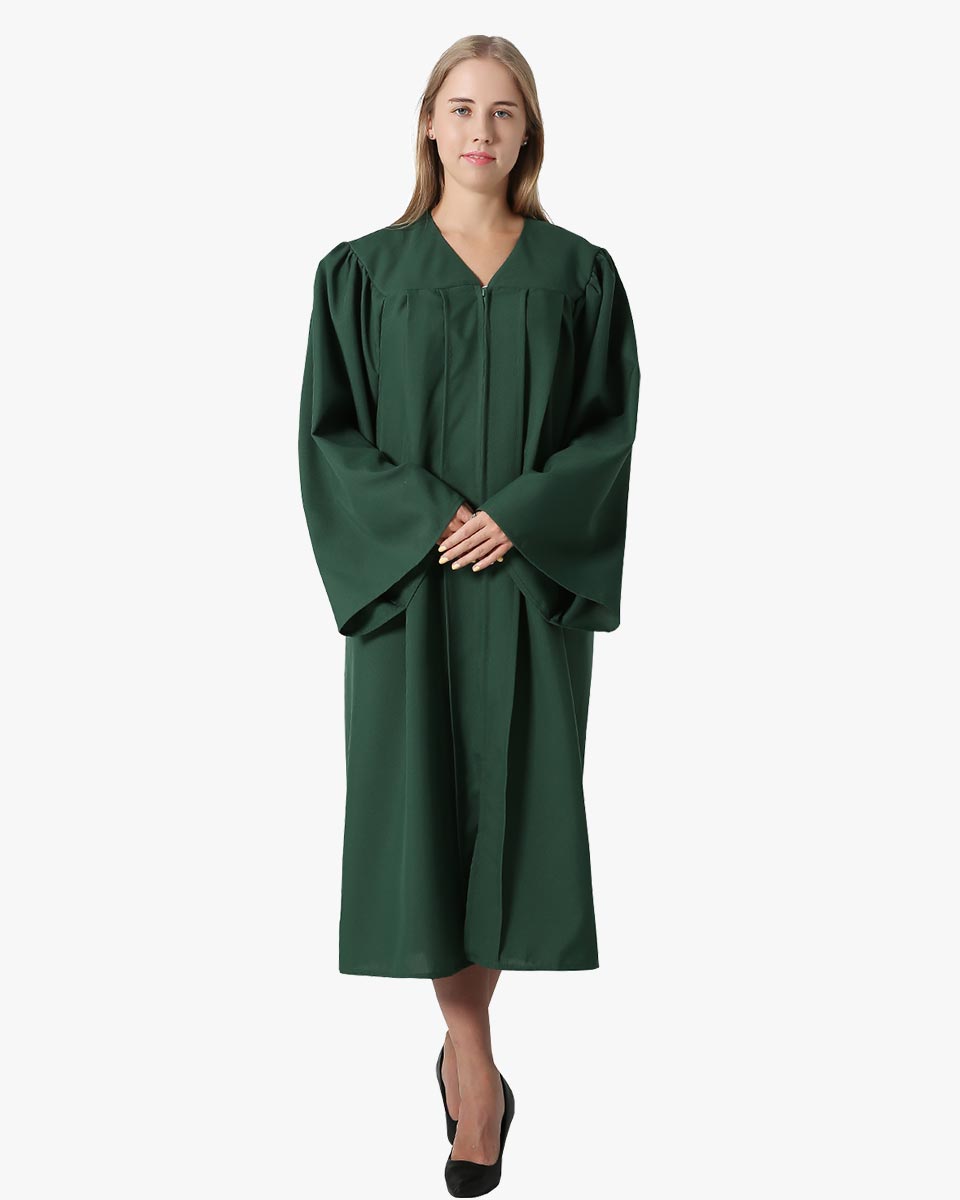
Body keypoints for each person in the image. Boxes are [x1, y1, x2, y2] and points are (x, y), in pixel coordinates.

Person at [298, 34, 641, 1197]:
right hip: (415, 588)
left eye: (503, 111)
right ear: (428, 124)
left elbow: (607, 428)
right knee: (428, 826)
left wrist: (526, 518)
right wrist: (427, 519)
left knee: (510, 828)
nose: (480, 130)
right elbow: (329, 433)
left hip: (529, 590)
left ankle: (465, 1060)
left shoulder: (581, 274)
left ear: (528, 130)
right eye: (460, 108)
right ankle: (477, 1068)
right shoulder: (361, 273)